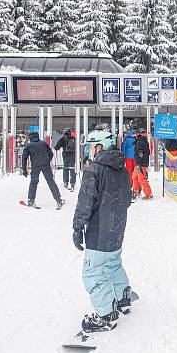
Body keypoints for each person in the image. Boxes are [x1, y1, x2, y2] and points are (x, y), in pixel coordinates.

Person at [72, 130, 135, 333]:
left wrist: (77, 226)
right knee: (113, 264)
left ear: (100, 147)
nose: (89, 151)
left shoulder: (94, 170)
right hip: (117, 229)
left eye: (91, 146)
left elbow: (85, 202)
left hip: (99, 231)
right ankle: (123, 298)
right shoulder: (123, 169)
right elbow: (127, 199)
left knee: (92, 273)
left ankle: (106, 314)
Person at [21, 130, 63, 209]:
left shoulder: (28, 145)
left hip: (35, 166)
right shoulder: (43, 143)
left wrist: (24, 170)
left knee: (33, 183)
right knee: (50, 182)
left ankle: (31, 200)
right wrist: (47, 161)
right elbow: (51, 154)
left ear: (30, 137)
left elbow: (24, 158)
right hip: (45, 165)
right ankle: (58, 199)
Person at [132, 130, 152, 199]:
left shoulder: (140, 142)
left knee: (141, 178)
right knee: (134, 177)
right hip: (139, 163)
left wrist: (139, 164)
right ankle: (136, 191)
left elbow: (141, 153)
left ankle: (148, 194)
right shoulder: (140, 141)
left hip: (141, 163)